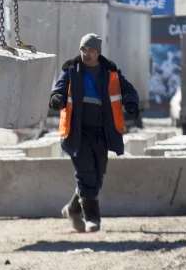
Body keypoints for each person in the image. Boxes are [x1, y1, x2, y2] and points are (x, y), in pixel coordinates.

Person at [49, 33, 139, 233]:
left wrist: (131, 102)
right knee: (86, 174)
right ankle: (92, 218)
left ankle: (73, 209)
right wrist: (57, 99)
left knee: (97, 177)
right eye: (83, 49)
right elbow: (59, 90)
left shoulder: (110, 72)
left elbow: (128, 89)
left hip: (103, 133)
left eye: (90, 50)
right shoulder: (71, 70)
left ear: (98, 52)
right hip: (78, 132)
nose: (86, 53)